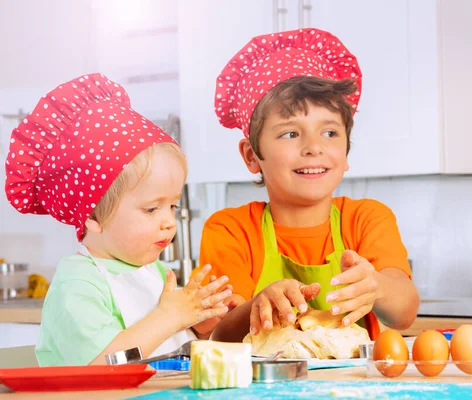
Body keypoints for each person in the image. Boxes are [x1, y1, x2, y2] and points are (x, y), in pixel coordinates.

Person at [193, 28, 420, 343]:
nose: (314, 147)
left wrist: (376, 286)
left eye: (329, 133)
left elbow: (404, 312)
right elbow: (219, 335)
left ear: (346, 150)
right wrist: (256, 309)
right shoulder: (231, 230)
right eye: (290, 133)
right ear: (251, 155)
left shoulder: (367, 219)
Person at [5, 73, 231, 366]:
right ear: (93, 215)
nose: (169, 222)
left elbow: (166, 356)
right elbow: (101, 366)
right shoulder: (79, 283)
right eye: (151, 209)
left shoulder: (152, 271)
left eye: (172, 206)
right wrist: (170, 316)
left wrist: (198, 326)